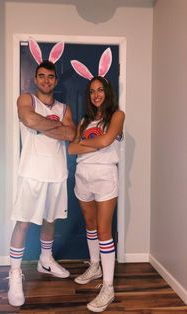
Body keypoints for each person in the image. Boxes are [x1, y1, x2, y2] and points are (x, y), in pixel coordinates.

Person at [7, 50, 75, 306]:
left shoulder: (64, 107)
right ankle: (14, 273)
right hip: (32, 173)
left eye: (51, 77)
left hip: (57, 174)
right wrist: (55, 127)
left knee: (50, 220)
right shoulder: (27, 99)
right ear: (36, 79)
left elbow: (70, 134)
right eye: (42, 76)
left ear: (56, 81)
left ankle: (46, 261)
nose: (46, 80)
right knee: (23, 222)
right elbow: (27, 117)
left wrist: (41, 124)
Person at [68, 75, 125, 312]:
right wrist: (94, 142)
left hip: (105, 176)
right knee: (90, 226)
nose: (96, 95)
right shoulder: (84, 120)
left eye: (100, 90)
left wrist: (86, 143)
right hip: (83, 176)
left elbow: (106, 141)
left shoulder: (117, 116)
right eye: (92, 91)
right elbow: (72, 148)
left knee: (104, 230)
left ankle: (108, 287)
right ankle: (95, 266)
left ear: (107, 92)